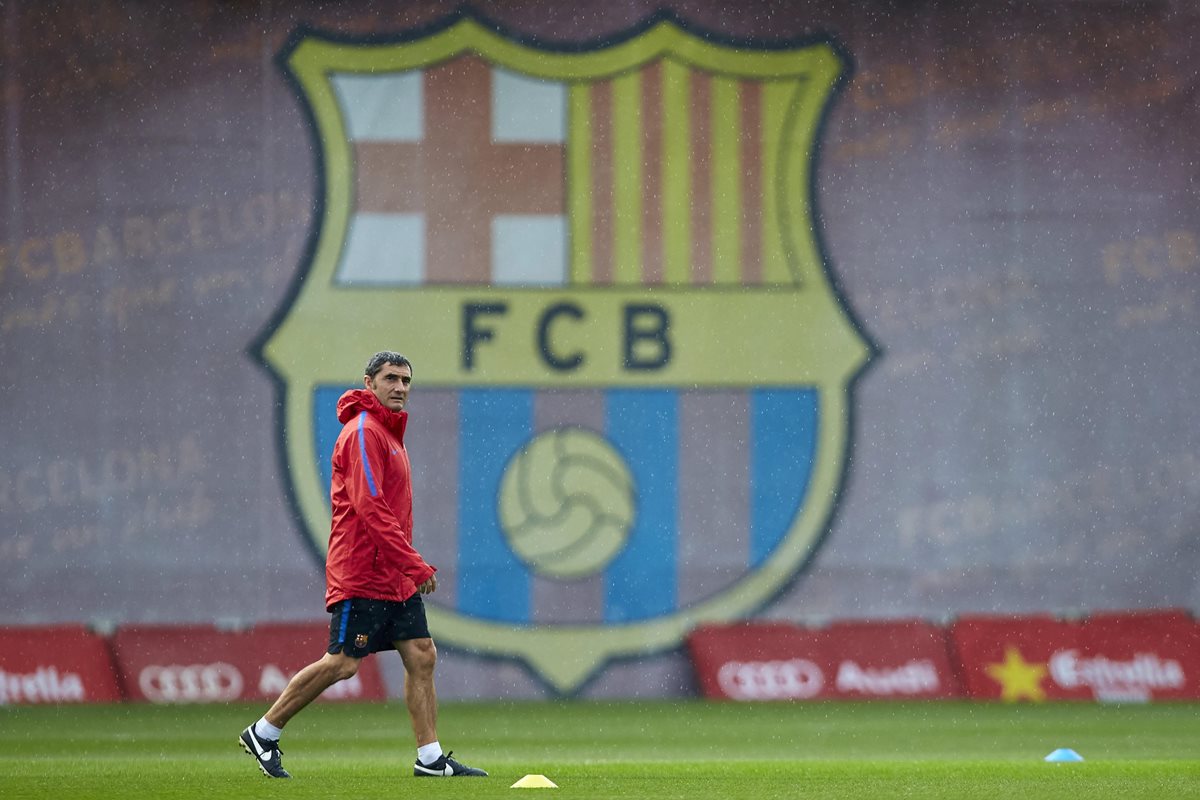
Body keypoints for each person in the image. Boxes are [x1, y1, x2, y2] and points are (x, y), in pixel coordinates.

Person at [240, 351, 486, 779]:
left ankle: (429, 758)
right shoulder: (362, 432)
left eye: (406, 380)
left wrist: (404, 568)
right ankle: (265, 731)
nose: (400, 388)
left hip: (392, 575)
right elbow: (370, 508)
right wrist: (414, 563)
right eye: (390, 379)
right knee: (343, 663)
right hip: (364, 572)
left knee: (421, 654)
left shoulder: (388, 433)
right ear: (368, 383)